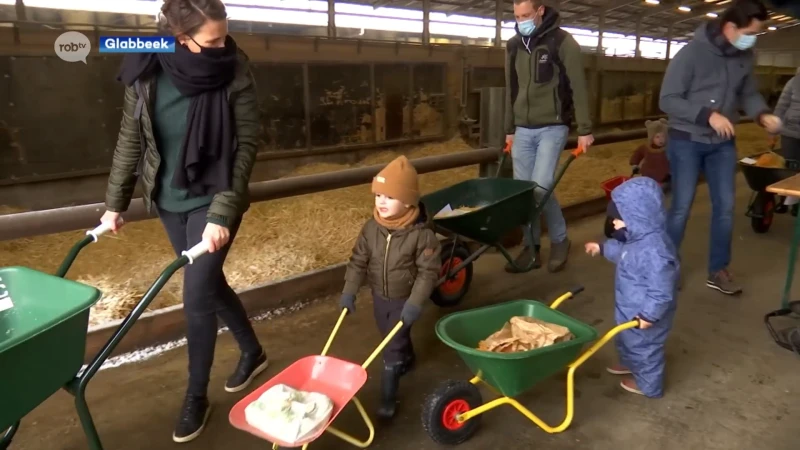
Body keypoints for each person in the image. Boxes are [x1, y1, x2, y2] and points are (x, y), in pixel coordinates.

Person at [100, 0, 266, 443]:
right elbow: (130, 138)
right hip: (170, 199)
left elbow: (245, 143)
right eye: (212, 39)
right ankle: (253, 350)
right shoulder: (146, 67)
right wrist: (114, 204)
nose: (223, 44)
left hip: (214, 196)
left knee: (195, 295)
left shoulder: (234, 68)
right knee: (208, 284)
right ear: (180, 39)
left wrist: (222, 213)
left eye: (225, 35)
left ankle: (196, 396)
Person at [659, 0, 782, 296]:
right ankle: (664, 266)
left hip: (722, 144)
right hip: (686, 140)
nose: (753, 38)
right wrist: (707, 114)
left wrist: (762, 114)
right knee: (681, 207)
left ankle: (718, 269)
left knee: (725, 208)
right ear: (730, 28)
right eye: (750, 32)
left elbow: (748, 93)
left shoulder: (744, 56)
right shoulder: (691, 54)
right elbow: (668, 99)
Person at [339, 155, 441, 419]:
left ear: (408, 201)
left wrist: (415, 303)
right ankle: (406, 357)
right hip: (379, 296)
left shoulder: (422, 234)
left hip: (404, 299)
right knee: (388, 332)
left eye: (389, 196)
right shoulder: (371, 229)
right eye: (378, 195)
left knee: (390, 347)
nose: (381, 202)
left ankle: (388, 397)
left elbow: (429, 272)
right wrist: (349, 290)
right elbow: (358, 260)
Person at [504, 0, 594, 274]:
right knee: (523, 192)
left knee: (541, 187)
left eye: (527, 15)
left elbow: (578, 86)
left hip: (553, 126)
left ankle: (559, 239)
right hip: (522, 128)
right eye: (517, 16)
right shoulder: (513, 45)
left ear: (540, 10)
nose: (522, 21)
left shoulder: (563, 42)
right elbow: (512, 87)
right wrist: (510, 128)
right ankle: (531, 248)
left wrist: (585, 129)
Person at [585, 177, 679, 398]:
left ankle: (649, 385)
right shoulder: (636, 238)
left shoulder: (656, 252)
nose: (614, 224)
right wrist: (602, 248)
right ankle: (630, 364)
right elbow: (623, 253)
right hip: (629, 307)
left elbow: (661, 291)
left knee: (645, 349)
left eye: (618, 219)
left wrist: (649, 315)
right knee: (626, 339)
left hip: (645, 315)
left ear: (637, 217)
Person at [630, 118, 670, 187]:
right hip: (647, 175)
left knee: (663, 191)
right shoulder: (646, 147)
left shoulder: (669, 148)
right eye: (657, 137)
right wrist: (634, 164)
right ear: (651, 137)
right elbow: (637, 154)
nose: (661, 139)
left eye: (663, 136)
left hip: (664, 176)